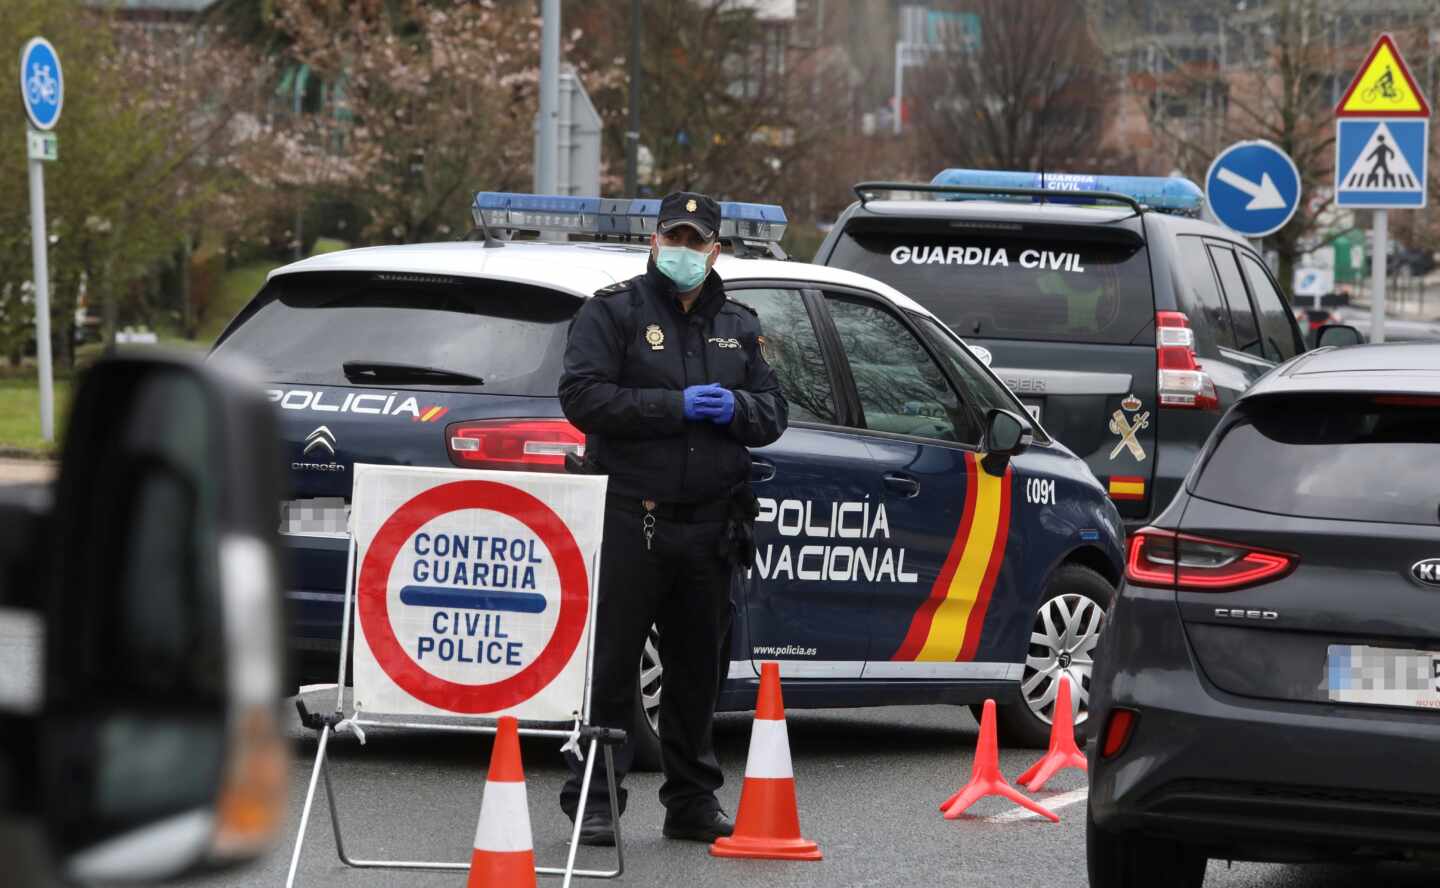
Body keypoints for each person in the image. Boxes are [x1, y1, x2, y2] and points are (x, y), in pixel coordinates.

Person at [557, 191, 788, 845]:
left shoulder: (739, 324)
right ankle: (596, 796)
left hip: (713, 526)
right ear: (655, 242)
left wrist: (735, 410)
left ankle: (691, 799)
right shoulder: (614, 312)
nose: (684, 251)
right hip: (635, 516)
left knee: (697, 672)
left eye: (696, 241)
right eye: (673, 238)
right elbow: (582, 396)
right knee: (612, 668)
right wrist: (676, 406)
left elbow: (772, 412)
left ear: (717, 251)